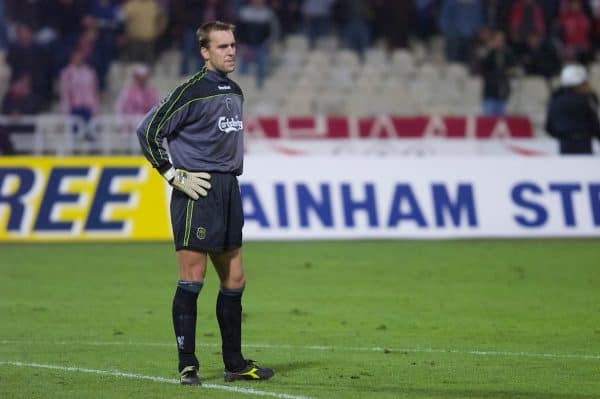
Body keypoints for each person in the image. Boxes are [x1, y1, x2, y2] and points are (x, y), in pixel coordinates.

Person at [136, 21, 274, 385]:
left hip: (229, 189)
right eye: (223, 46)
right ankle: (188, 364)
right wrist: (172, 174)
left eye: (233, 45)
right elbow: (147, 130)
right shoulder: (190, 91)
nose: (231, 51)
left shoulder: (235, 90)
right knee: (192, 278)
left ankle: (234, 363)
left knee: (235, 279)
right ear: (204, 51)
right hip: (197, 190)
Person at [545, 63, 600, 154]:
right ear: (579, 84)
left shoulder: (555, 99)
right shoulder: (586, 100)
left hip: (564, 143)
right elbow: (594, 124)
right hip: (584, 144)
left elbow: (549, 127)